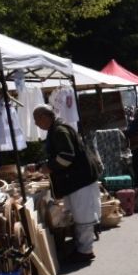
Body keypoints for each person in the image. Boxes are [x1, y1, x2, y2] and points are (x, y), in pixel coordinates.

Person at [34, 104, 101, 264]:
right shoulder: (57, 129)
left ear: (45, 117)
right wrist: (42, 165)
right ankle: (82, 249)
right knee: (78, 215)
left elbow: (66, 156)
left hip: (80, 179)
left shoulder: (59, 131)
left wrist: (49, 167)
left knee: (82, 215)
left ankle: (85, 251)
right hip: (77, 179)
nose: (36, 124)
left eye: (37, 120)